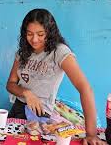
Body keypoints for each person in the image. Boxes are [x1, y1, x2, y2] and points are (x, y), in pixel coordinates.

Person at [6, 8, 105, 144]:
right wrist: (26, 92)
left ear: (49, 32)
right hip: (17, 109)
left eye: (40, 34)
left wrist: (91, 134)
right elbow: (10, 84)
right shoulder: (23, 52)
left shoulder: (59, 52)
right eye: (29, 34)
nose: (34, 39)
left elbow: (85, 88)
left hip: (40, 115)